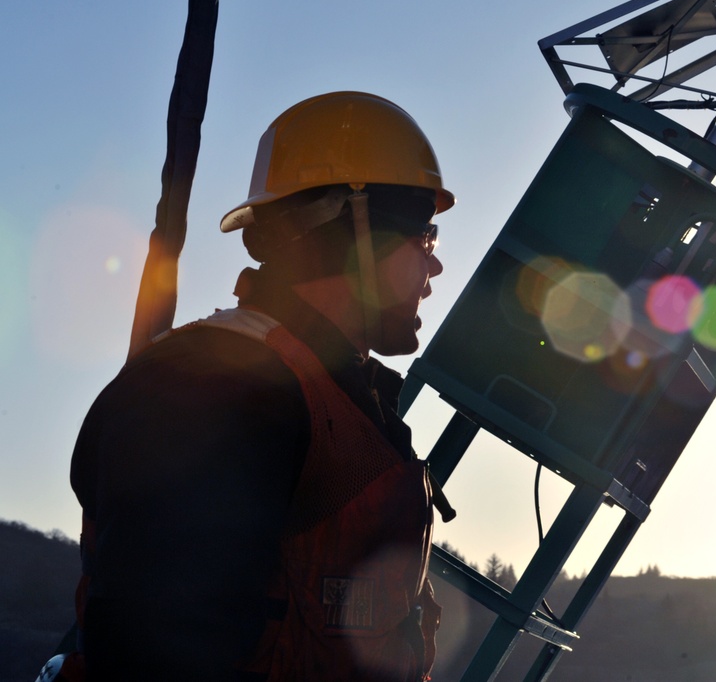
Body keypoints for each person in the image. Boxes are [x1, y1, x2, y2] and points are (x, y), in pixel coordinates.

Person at [68, 91, 454, 681]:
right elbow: (156, 653)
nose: (435, 267)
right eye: (424, 236)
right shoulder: (217, 390)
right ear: (357, 232)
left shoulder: (336, 397)